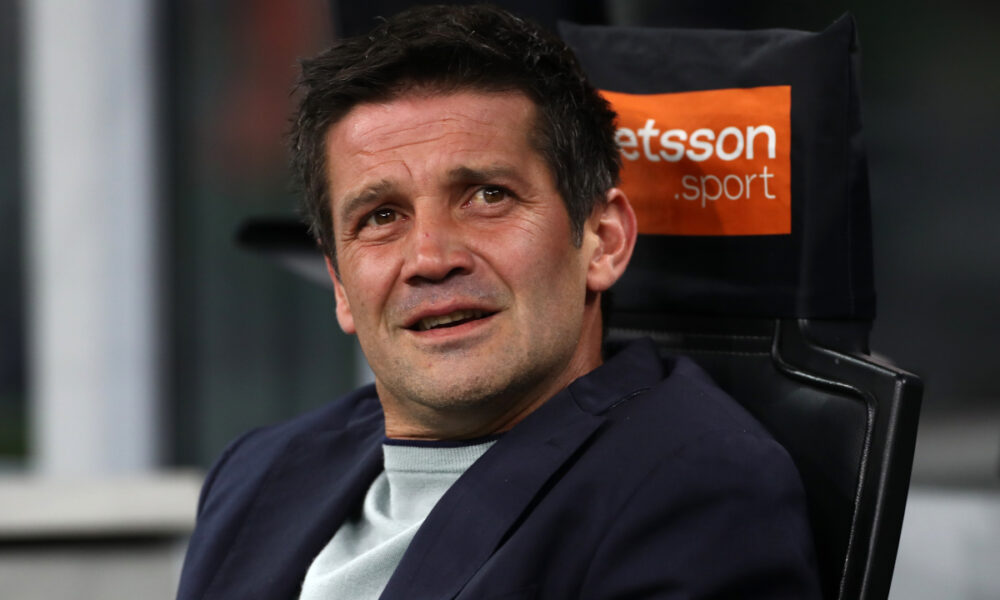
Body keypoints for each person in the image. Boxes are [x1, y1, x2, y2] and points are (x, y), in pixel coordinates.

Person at [177, 5, 821, 599]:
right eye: (380, 216)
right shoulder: (258, 470)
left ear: (603, 241)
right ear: (341, 287)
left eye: (487, 196)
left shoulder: (694, 491)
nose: (430, 258)